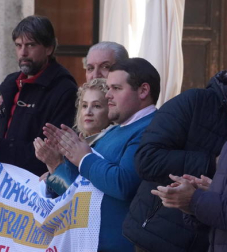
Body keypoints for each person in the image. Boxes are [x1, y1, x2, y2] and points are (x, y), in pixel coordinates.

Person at [43, 58, 161, 251]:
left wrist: (83, 158)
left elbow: (123, 184)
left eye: (116, 88)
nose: (108, 95)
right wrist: (57, 168)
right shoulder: (114, 131)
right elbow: (81, 185)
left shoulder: (151, 128)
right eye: (107, 88)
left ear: (143, 91)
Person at [0, 15, 78, 176]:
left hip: (38, 185)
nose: (23, 52)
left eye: (30, 45)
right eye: (18, 45)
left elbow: (50, 151)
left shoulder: (64, 89)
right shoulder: (12, 82)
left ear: (49, 48)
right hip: (3, 184)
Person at [123, 70, 227, 252]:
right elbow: (146, 160)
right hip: (156, 235)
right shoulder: (195, 101)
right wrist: (211, 168)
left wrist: (199, 197)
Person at [34, 78, 113, 195]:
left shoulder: (111, 144)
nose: (88, 112)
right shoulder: (79, 141)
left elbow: (79, 195)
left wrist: (55, 165)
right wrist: (52, 173)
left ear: (111, 109)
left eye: (96, 106)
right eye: (84, 106)